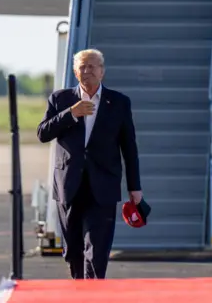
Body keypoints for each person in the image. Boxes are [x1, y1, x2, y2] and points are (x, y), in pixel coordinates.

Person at [37, 48, 143, 279]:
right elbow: (42, 134)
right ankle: (79, 291)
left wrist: (135, 187)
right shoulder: (60, 99)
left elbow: (129, 147)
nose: (88, 71)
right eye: (82, 67)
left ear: (102, 72)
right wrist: (70, 114)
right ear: (76, 72)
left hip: (102, 186)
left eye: (92, 66)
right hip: (69, 186)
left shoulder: (119, 102)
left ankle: (93, 295)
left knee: (97, 252)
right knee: (73, 251)